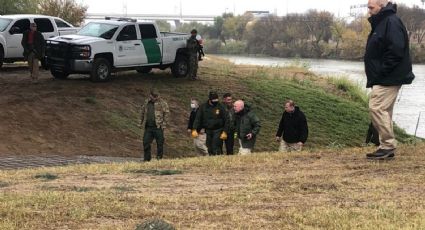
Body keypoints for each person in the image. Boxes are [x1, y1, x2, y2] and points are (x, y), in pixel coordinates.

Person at [364, 0, 415, 159]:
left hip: (388, 77)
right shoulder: (383, 22)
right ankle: (385, 147)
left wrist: (381, 72)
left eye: (371, 7)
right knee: (385, 110)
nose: (369, 10)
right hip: (385, 77)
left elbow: (396, 51)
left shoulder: (390, 22)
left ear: (381, 6)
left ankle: (387, 145)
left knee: (376, 107)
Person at [192, 92, 227, 156]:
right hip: (207, 130)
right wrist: (194, 129)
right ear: (210, 100)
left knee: (216, 146)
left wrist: (225, 131)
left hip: (218, 129)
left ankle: (217, 157)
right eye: (214, 100)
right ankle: (211, 159)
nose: (215, 102)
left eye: (216, 100)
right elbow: (198, 118)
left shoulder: (221, 106)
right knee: (209, 147)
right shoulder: (203, 107)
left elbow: (226, 119)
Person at [140, 89, 170, 161]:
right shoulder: (147, 102)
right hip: (149, 127)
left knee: (160, 143)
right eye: (153, 96)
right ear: (150, 96)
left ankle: (159, 158)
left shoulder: (162, 103)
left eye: (156, 96)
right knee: (146, 142)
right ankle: (147, 159)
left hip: (158, 127)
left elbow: (167, 114)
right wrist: (140, 122)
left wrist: (164, 124)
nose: (155, 98)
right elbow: (142, 112)